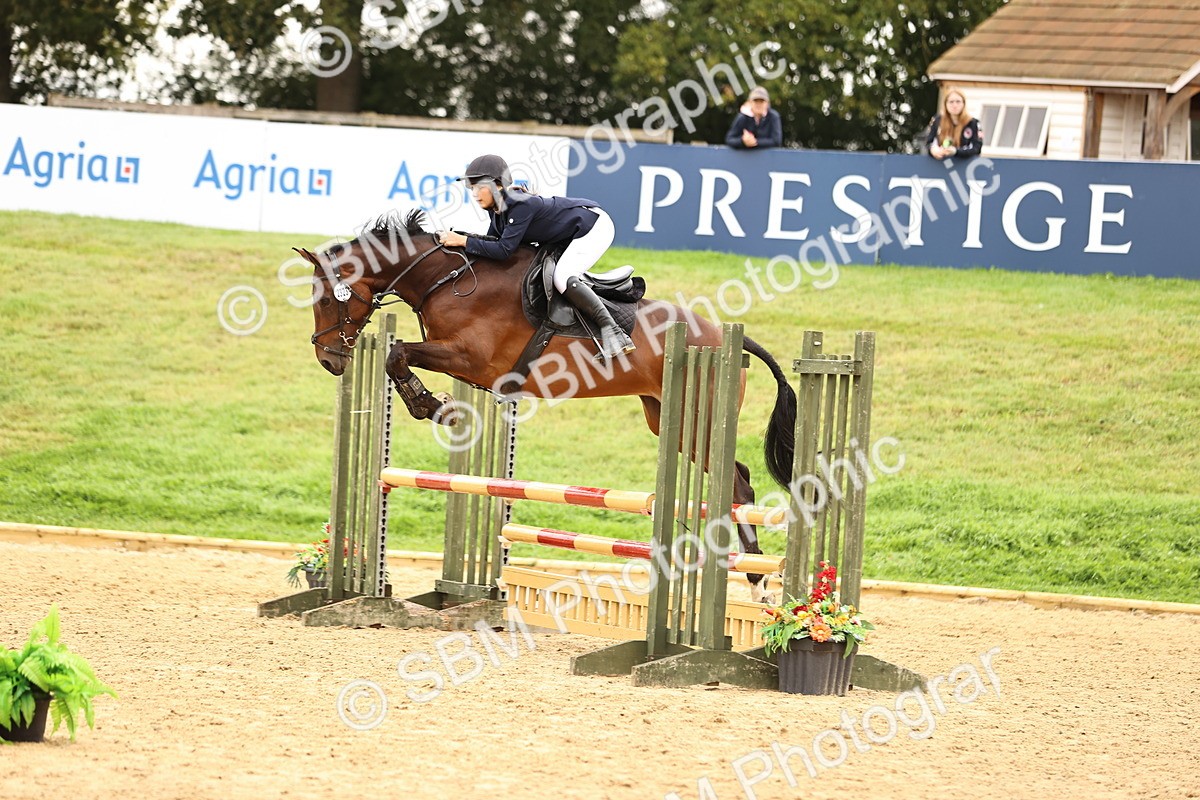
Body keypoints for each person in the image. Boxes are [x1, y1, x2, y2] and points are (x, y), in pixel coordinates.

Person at [437, 154, 635, 360]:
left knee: (562, 276)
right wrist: (462, 240)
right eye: (472, 189)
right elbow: (491, 243)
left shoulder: (520, 204)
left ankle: (615, 333)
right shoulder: (495, 208)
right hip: (568, 232)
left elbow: (504, 250)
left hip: (593, 227)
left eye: (479, 187)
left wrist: (463, 241)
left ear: (498, 185)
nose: (475, 194)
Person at [925, 88, 983, 160]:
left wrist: (956, 151)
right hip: (941, 164)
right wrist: (933, 150)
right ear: (945, 104)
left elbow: (977, 148)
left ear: (963, 104)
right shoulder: (937, 121)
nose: (954, 105)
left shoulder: (973, 123)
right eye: (951, 102)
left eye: (958, 102)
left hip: (964, 164)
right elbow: (929, 142)